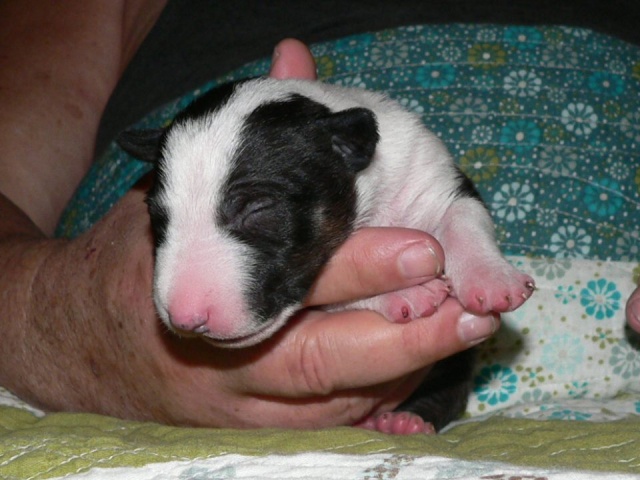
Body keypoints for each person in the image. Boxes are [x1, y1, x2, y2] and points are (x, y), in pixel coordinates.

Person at [0, 0, 638, 432]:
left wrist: (471, 261)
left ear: (351, 148)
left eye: (254, 209)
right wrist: (41, 304)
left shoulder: (395, 151)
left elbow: (452, 206)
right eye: (163, 221)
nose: (183, 313)